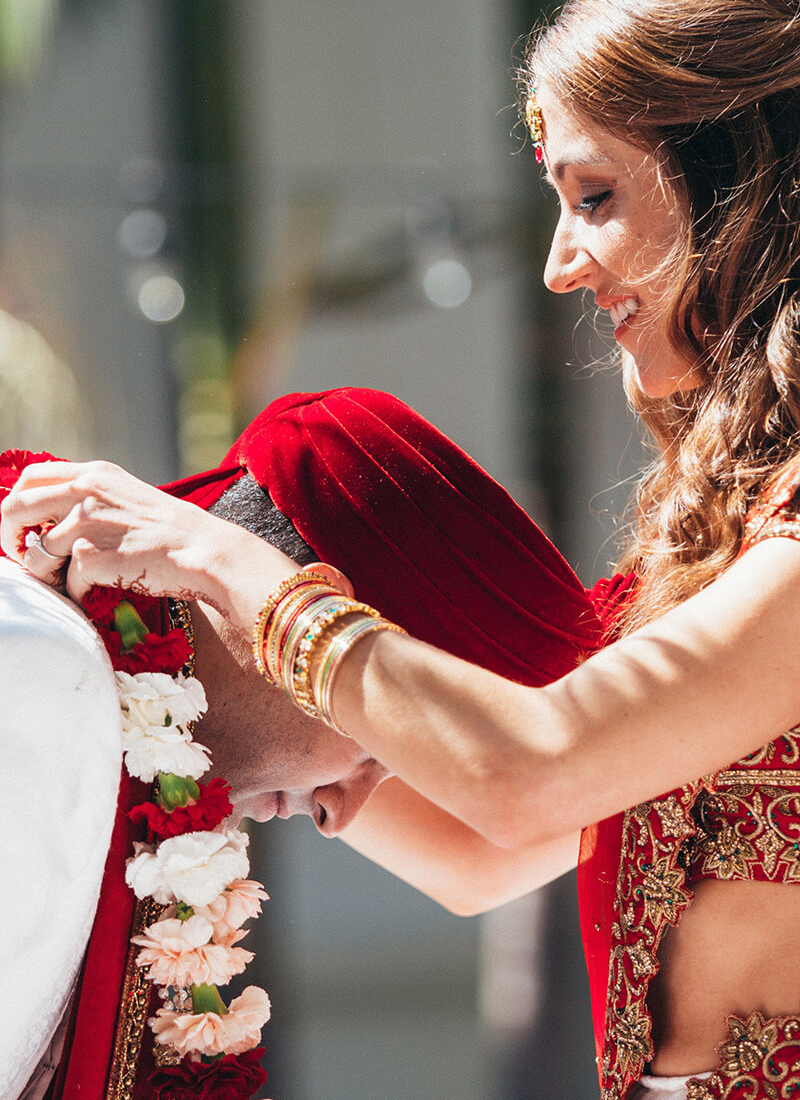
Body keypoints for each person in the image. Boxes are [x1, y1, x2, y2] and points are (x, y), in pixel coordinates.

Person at [6, 0, 800, 1100]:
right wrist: (164, 655)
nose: (560, 263)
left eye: (594, 195)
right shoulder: (721, 531)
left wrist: (228, 567)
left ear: (744, 184)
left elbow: (531, 775)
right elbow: (492, 849)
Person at [0, 388, 601, 1099]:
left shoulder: (85, 688)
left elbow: (479, 863)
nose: (340, 816)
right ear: (301, 611)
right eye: (379, 749)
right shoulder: (40, 666)